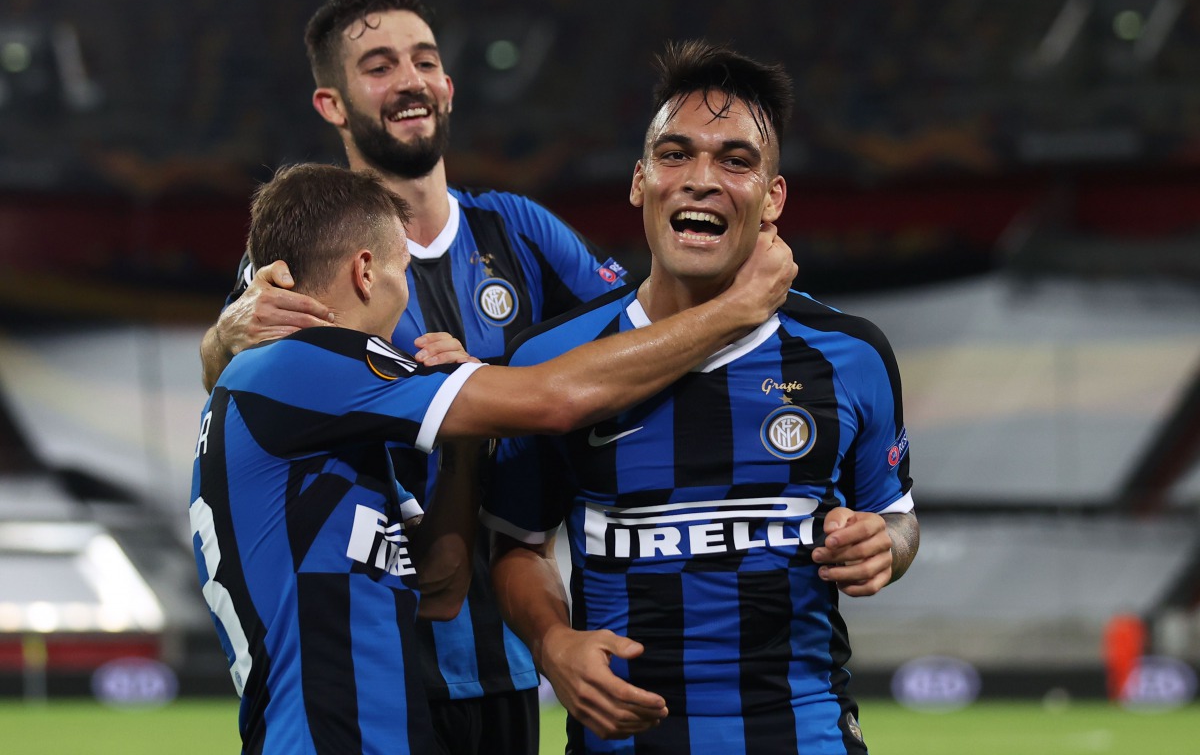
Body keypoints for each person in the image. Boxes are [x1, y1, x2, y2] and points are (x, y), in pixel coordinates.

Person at [191, 162, 795, 754]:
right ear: (366, 271)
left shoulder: (326, 428)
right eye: (404, 272)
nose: (406, 303)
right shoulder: (300, 368)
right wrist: (734, 311)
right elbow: (554, 400)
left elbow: (439, 588)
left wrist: (461, 444)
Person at [196, 0, 627, 755]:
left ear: (449, 87)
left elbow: (630, 334)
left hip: (497, 656)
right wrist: (225, 333)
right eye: (380, 65)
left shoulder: (519, 230)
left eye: (424, 61)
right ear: (332, 104)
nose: (409, 81)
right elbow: (237, 389)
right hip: (361, 654)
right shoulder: (300, 263)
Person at [483, 41, 920, 755]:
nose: (700, 180)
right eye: (675, 154)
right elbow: (517, 546)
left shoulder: (851, 354)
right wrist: (552, 641)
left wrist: (885, 547)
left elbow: (897, 520)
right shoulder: (553, 361)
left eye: (736, 160)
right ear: (639, 181)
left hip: (802, 734)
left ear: (772, 198)